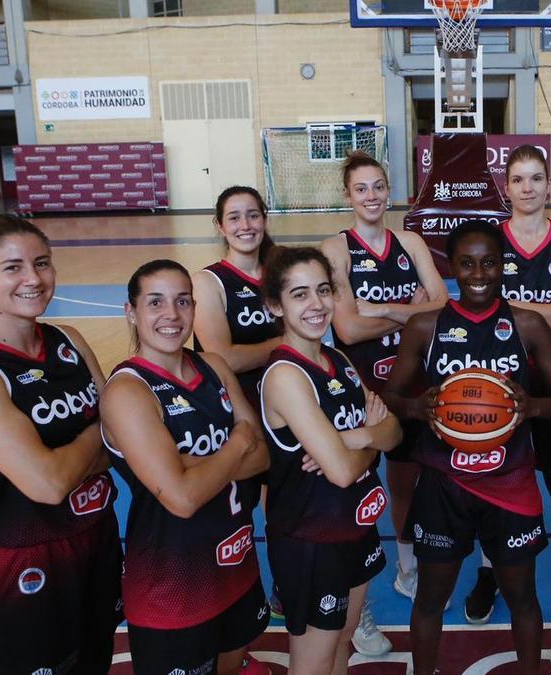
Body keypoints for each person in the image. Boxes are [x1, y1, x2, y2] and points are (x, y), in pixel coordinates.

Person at [382, 221, 551, 675]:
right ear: (452, 267)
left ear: (503, 266)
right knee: (430, 598)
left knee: (523, 598)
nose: (479, 273)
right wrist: (416, 406)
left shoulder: (527, 324)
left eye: (489, 262)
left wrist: (532, 407)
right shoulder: (424, 325)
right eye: (467, 263)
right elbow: (389, 397)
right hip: (443, 483)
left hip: (510, 483)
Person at [0, 215, 122, 674]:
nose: (33, 279)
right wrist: (99, 434)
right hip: (21, 559)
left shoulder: (67, 341)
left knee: (93, 664)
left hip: (96, 535)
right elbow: (49, 482)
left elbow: (121, 437)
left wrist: (95, 442)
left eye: (42, 263)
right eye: (12, 267)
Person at [102, 260, 270, 675]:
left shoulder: (213, 365)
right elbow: (182, 497)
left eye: (182, 302)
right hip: (173, 585)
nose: (171, 315)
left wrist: (190, 466)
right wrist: (236, 445)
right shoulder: (127, 391)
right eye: (155, 302)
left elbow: (263, 455)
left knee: (231, 664)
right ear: (131, 311)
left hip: (236, 561)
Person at [459, 144, 551, 634]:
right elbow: (477, 308)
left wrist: (512, 307)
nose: (528, 188)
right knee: (495, 479)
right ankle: (490, 570)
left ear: (548, 184)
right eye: (518, 180)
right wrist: (547, 308)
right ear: (506, 187)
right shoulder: (489, 241)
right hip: (501, 375)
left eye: (536, 178)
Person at [319, 152, 448, 650]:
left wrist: (385, 306)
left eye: (378, 187)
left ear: (389, 191)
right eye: (361, 189)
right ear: (348, 195)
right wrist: (409, 310)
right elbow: (348, 327)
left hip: (415, 377)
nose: (371, 196)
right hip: (363, 386)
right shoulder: (336, 249)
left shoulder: (410, 241)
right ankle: (359, 606)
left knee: (410, 475)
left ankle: (407, 566)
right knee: (358, 489)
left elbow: (440, 305)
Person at [259, 246, 403, 675]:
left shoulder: (337, 360)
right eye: (299, 294)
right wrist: (368, 440)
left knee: (344, 638)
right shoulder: (286, 376)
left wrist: (357, 437)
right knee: (313, 662)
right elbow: (341, 471)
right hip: (310, 540)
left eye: (323, 290)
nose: (317, 304)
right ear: (275, 304)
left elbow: (393, 433)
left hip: (354, 527)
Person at [192, 185, 281, 413]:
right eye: (234, 218)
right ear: (220, 226)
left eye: (253, 216)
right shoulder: (207, 282)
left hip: (285, 394)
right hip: (235, 406)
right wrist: (290, 343)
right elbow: (224, 359)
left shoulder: (282, 275)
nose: (246, 226)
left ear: (264, 219)